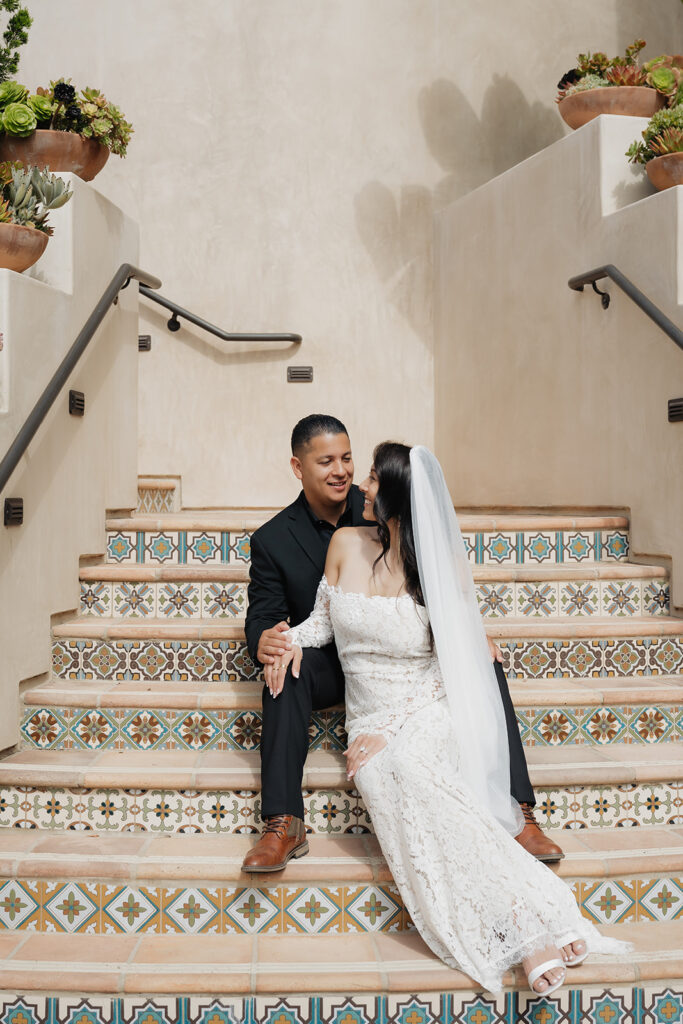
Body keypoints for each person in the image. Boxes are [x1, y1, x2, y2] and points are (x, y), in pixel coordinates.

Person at [271, 441, 627, 995]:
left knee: (414, 765)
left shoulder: (430, 566)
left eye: (371, 479)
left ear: (395, 500)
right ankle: (524, 915)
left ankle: (525, 927)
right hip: (369, 717)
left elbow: (451, 665)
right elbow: (323, 622)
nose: (361, 486)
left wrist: (396, 726)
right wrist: (281, 643)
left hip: (424, 707)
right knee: (394, 774)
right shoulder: (344, 543)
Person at [242, 415, 561, 873]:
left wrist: (466, 632)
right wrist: (270, 642)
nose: (342, 472)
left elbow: (435, 590)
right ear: (298, 467)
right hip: (331, 662)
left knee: (484, 664)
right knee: (283, 670)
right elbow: (269, 614)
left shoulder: (385, 503)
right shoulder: (273, 539)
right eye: (326, 461)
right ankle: (283, 821)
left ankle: (520, 813)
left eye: (348, 459)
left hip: (405, 659)